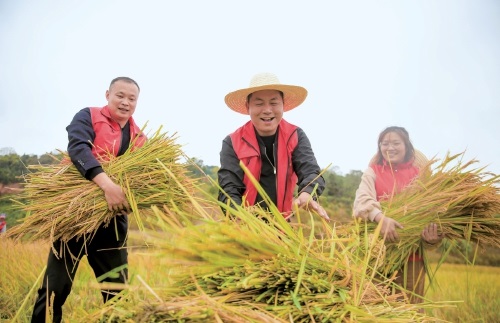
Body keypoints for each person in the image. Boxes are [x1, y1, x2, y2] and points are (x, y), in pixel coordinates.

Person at [31, 77, 146, 323]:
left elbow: (142, 180)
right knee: (54, 287)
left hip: (112, 221)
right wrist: (107, 185)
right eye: (120, 96)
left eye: (132, 98)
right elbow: (78, 149)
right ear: (107, 95)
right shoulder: (88, 116)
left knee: (116, 290)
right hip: (73, 214)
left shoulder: (139, 137)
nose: (125, 102)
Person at [218, 72, 329, 222]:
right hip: (245, 225)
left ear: (283, 105)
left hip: (282, 225)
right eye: (259, 103)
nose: (267, 110)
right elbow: (229, 188)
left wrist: (307, 193)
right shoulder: (232, 142)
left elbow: (310, 171)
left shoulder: (295, 136)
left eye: (274, 103)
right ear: (247, 107)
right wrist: (238, 216)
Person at [352, 126, 442, 305]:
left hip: (412, 260)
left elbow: (433, 214)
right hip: (377, 256)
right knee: (374, 308)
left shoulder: (421, 177)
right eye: (384, 143)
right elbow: (360, 203)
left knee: (410, 311)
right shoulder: (373, 172)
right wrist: (380, 218)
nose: (389, 147)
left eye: (395, 143)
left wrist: (431, 239)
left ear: (407, 146)